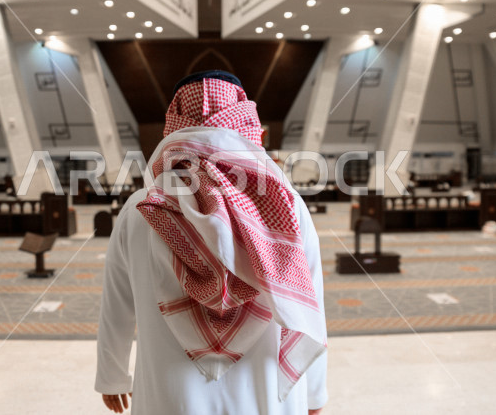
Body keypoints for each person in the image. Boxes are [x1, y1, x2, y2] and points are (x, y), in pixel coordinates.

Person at [96, 71, 328, 414]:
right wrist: (313, 392)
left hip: (170, 395)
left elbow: (117, 300)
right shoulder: (286, 202)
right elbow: (310, 302)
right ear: (246, 121)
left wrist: (112, 375)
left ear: (173, 125)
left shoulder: (139, 207)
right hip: (266, 391)